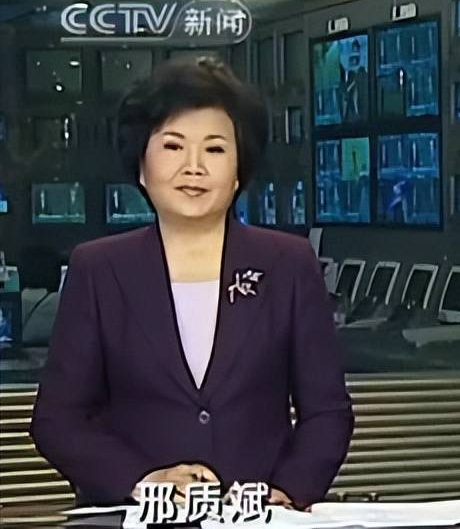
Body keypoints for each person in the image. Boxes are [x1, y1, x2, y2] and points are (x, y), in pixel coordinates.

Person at [31, 58, 353, 508]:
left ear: (239, 171)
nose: (194, 167)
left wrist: (285, 493)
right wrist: (146, 481)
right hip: (138, 514)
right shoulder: (99, 268)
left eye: (215, 150)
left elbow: (327, 412)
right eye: (173, 146)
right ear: (141, 166)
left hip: (258, 517)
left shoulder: (288, 263)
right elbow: (58, 419)